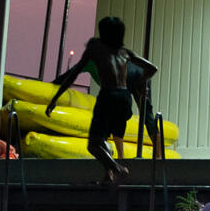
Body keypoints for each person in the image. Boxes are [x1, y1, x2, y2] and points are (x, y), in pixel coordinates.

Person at [48, 16, 157, 186]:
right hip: (124, 98)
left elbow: (72, 75)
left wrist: (54, 97)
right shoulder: (124, 52)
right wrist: (142, 82)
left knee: (93, 144)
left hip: (108, 96)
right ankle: (109, 175)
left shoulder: (95, 49)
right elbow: (152, 68)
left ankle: (117, 168)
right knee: (104, 138)